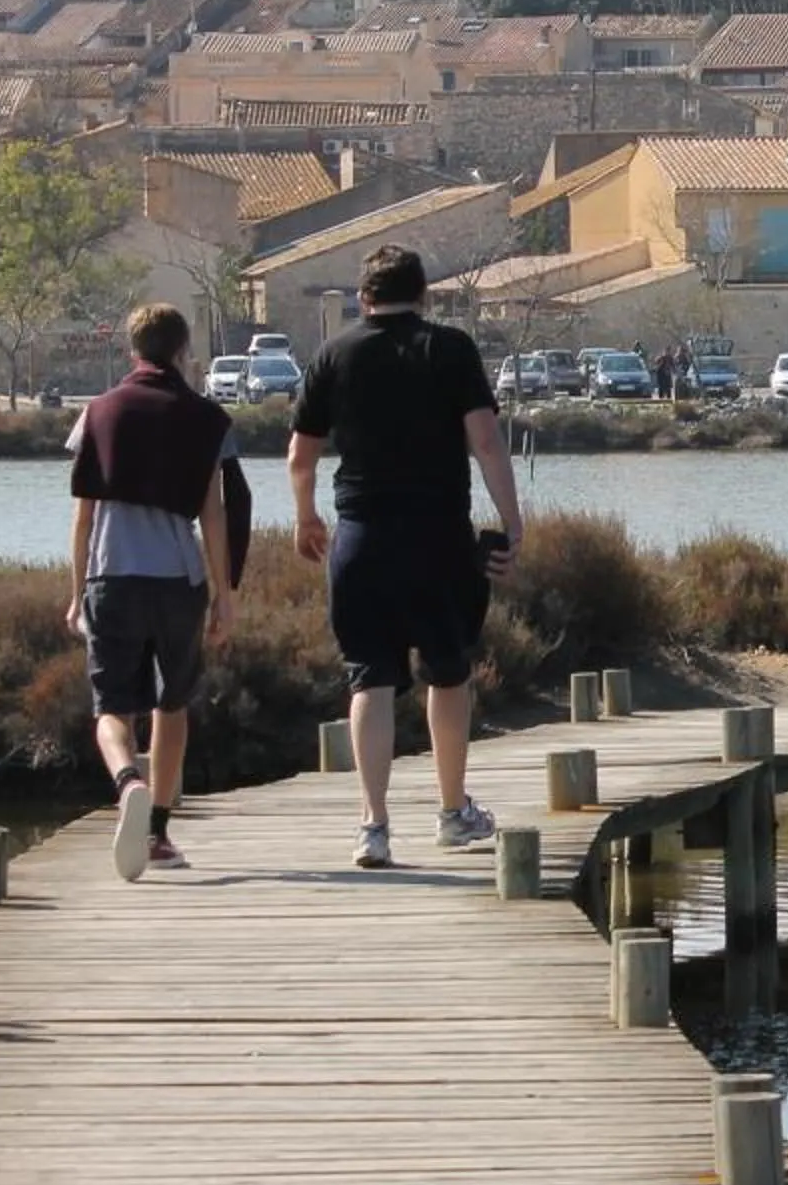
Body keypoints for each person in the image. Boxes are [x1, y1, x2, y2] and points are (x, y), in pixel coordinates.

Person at [289, 245, 524, 869]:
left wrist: (306, 516)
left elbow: (300, 456)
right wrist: (512, 522)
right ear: (422, 295)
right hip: (438, 536)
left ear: (363, 297)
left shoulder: (333, 354)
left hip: (360, 538)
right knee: (447, 672)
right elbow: (486, 442)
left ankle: (374, 826)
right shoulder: (450, 349)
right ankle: (452, 812)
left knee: (369, 678)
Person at [65, 303, 238, 879]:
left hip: (111, 575)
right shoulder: (207, 419)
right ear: (183, 351)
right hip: (178, 579)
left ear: (132, 350)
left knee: (112, 708)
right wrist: (224, 592)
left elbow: (83, 519)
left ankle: (127, 782)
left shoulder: (99, 411)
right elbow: (213, 514)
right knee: (173, 702)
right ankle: (158, 833)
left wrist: (76, 593)